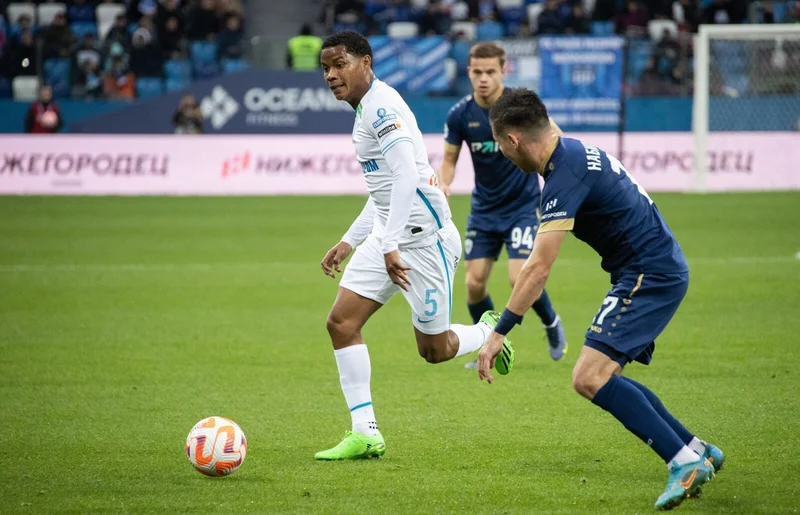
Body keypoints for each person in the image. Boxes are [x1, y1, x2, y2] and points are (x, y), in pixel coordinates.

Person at [477, 88, 724, 510]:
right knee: (605, 373)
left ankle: (684, 462)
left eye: (500, 143)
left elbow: (537, 268)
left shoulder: (563, 179)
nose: (501, 152)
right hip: (652, 267)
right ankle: (697, 449)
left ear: (514, 140)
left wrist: (499, 332)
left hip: (648, 273)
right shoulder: (569, 149)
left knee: (589, 377)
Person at [315, 30, 515, 461]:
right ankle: (366, 433)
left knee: (434, 351)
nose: (331, 75)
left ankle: (488, 330)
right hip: (390, 237)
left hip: (425, 243)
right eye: (326, 68)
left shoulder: (381, 107)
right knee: (341, 323)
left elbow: (407, 175)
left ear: (365, 62)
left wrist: (388, 243)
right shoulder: (364, 109)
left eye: (339, 64)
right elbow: (385, 190)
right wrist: (351, 240)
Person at [439, 42, 567, 368]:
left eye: (490, 72)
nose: (483, 78)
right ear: (469, 72)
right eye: (477, 72)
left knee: (518, 276)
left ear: (503, 70)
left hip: (522, 207)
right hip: (484, 210)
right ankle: (491, 343)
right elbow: (449, 161)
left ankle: (551, 322)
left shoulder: (519, 108)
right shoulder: (460, 115)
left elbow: (557, 139)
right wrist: (443, 184)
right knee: (473, 284)